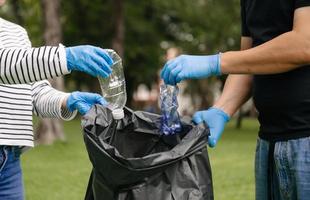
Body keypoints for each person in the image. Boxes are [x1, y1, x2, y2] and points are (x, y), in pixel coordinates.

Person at [161, 1, 310, 200]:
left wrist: (216, 62)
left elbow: (305, 43)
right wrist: (222, 109)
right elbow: (248, 62)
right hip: (269, 142)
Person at [0, 0, 114, 199]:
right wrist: (65, 57)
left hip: (9, 160)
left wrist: (68, 99)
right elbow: (6, 66)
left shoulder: (16, 32)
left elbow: (34, 91)